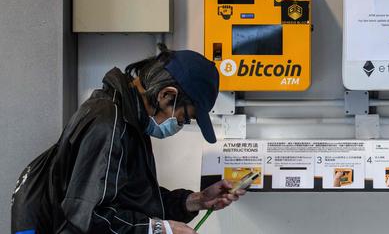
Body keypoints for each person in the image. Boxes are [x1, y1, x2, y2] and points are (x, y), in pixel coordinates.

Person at [11, 47, 245, 234]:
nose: (180, 125)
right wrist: (159, 229)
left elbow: (134, 197)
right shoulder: (107, 123)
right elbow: (85, 214)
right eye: (184, 118)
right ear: (167, 95)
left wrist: (196, 200)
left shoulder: (129, 120)